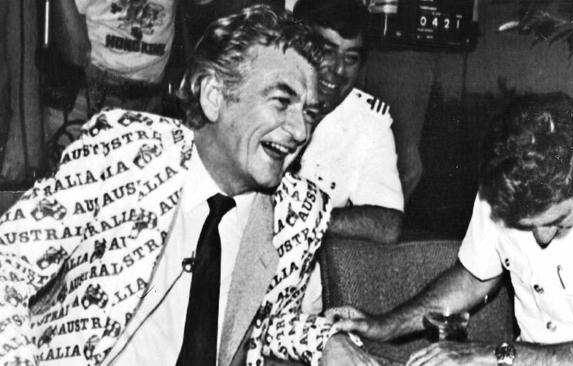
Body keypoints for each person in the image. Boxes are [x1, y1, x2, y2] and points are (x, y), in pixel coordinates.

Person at [0, 6, 379, 366]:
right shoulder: (126, 151)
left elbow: (269, 323)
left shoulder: (299, 212)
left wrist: (325, 340)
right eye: (281, 102)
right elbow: (8, 264)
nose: (300, 131)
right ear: (215, 97)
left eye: (309, 113)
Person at [330, 92, 573, 366]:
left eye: (558, 221)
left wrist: (497, 355)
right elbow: (474, 276)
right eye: (528, 227)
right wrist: (384, 325)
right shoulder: (507, 173)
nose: (542, 238)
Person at [290, 0, 404, 315]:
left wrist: (301, 220)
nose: (338, 71)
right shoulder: (262, 97)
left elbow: (387, 224)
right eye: (327, 51)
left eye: (351, 58)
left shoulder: (368, 124)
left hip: (302, 308)